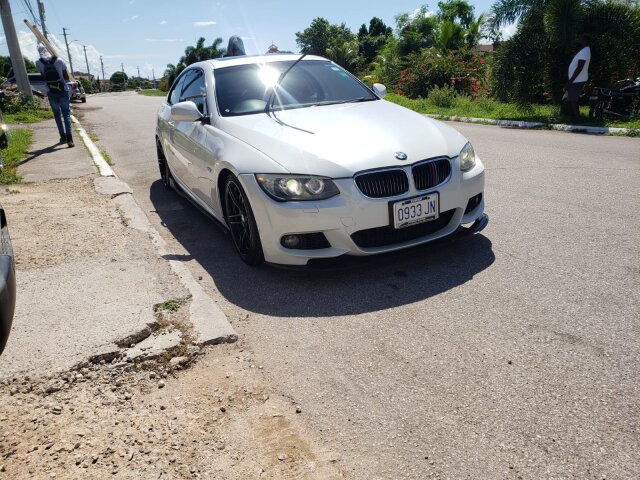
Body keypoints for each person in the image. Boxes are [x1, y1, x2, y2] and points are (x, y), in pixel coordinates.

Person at [35, 45, 74, 147]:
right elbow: (66, 76)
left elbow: (43, 77)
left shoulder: (38, 63)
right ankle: (70, 139)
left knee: (57, 115)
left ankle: (63, 137)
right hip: (63, 90)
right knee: (66, 114)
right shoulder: (59, 60)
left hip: (51, 91)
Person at [564, 34, 591, 124]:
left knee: (572, 100)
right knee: (571, 99)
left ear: (585, 40)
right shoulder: (584, 50)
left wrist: (570, 81)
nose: (578, 39)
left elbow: (580, 67)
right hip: (577, 79)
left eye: (580, 38)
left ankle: (577, 120)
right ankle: (573, 119)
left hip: (577, 80)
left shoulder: (585, 51)